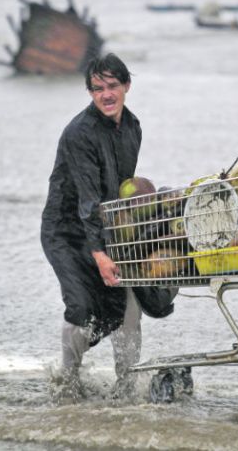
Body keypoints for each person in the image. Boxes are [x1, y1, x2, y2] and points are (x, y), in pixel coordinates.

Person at [40, 53, 177, 400]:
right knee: (84, 306)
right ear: (89, 92)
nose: (106, 94)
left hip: (108, 225)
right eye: (97, 88)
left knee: (129, 304)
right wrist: (99, 253)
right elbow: (89, 199)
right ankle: (67, 385)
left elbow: (121, 192)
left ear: (126, 85)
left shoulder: (133, 127)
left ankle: (126, 390)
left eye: (112, 86)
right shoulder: (78, 134)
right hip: (66, 231)